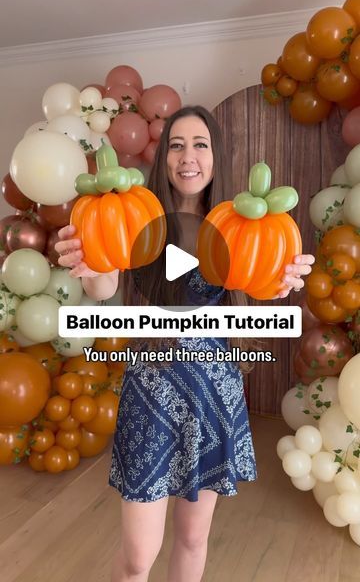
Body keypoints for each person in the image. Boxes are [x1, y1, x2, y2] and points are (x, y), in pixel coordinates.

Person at [56, 105, 314, 582]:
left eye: (200, 145)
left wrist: (282, 283)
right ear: (164, 158)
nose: (188, 156)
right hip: (151, 396)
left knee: (194, 540)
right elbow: (103, 286)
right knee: (138, 558)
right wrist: (90, 266)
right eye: (176, 145)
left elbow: (262, 285)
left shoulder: (237, 225)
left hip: (214, 395)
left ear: (216, 157)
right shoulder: (137, 216)